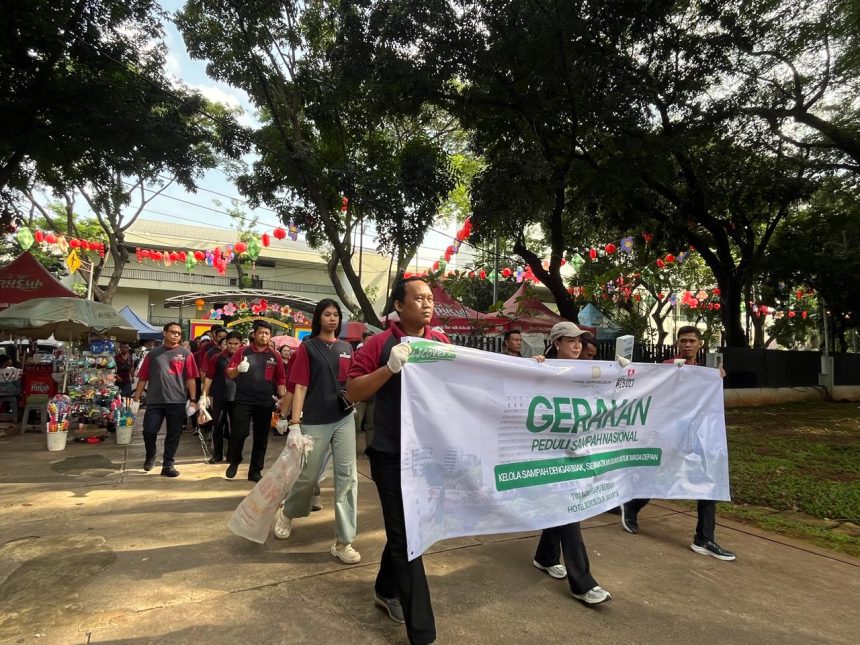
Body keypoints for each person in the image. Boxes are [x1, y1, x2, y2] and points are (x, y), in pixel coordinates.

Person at [346, 276, 449, 645]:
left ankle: (385, 588)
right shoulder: (378, 344)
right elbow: (353, 391)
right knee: (408, 535)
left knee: (407, 528)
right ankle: (422, 632)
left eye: (430, 299)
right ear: (399, 306)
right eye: (418, 298)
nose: (427, 304)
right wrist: (388, 368)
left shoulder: (440, 342)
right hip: (390, 452)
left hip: (426, 453)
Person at [620, 326, 736, 561]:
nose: (687, 345)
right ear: (677, 343)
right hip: (670, 433)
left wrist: (716, 377)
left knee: (708, 480)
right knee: (661, 473)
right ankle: (632, 506)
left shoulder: (705, 373)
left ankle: (704, 538)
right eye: (683, 340)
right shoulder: (667, 367)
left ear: (700, 344)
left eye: (692, 341)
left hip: (698, 435)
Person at [273, 299, 360, 564]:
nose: (332, 319)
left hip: (344, 418)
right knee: (309, 476)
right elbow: (298, 387)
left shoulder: (347, 348)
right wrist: (295, 424)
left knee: (348, 478)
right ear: (318, 318)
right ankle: (288, 512)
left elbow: (352, 382)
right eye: (327, 314)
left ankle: (344, 541)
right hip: (314, 420)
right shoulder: (308, 348)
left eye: (336, 315)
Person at [531, 322, 611, 605]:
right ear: (556, 344)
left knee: (563, 508)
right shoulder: (542, 369)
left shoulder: (587, 371)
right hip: (549, 453)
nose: (577, 346)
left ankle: (545, 557)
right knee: (570, 508)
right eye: (569, 341)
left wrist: (625, 371)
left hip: (576, 452)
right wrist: (531, 368)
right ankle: (582, 582)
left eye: (579, 341)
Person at [132, 322, 199, 478]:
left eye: (179, 333)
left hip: (177, 401)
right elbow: (143, 377)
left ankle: (168, 464)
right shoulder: (153, 354)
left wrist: (193, 400)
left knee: (174, 434)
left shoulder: (186, 354)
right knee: (148, 431)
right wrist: (136, 399)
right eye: (172, 332)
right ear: (164, 333)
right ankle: (151, 455)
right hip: (155, 401)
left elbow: (191, 379)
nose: (176, 335)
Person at [225, 321, 286, 482]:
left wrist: (282, 401)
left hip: (265, 402)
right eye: (261, 332)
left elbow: (280, 379)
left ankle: (255, 471)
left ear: (270, 335)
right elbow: (229, 373)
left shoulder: (275, 355)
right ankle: (235, 459)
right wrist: (237, 369)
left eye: (267, 333)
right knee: (239, 433)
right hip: (242, 400)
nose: (263, 336)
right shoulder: (242, 351)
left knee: (261, 438)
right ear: (254, 334)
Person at [200, 332, 242, 463]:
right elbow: (209, 377)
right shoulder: (217, 358)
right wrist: (204, 395)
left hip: (238, 398)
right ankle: (217, 454)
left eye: (236, 344)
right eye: (230, 343)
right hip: (219, 396)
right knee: (217, 426)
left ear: (240, 344)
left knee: (236, 428)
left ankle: (233, 454)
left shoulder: (244, 359)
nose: (233, 346)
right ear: (225, 343)